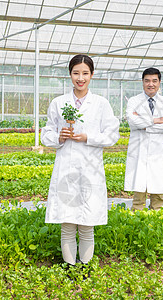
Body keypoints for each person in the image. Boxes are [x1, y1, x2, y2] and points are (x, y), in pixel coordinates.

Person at [41, 54, 120, 267]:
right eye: (76, 73)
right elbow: (46, 133)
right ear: (70, 75)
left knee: (87, 223)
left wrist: (88, 137)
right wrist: (58, 137)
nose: (80, 78)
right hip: (66, 167)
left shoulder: (101, 104)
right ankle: (70, 266)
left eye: (85, 73)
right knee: (67, 222)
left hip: (90, 168)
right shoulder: (59, 103)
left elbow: (112, 135)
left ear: (92, 75)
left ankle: (84, 266)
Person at [124, 67, 163, 211]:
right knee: (139, 190)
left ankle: (157, 213)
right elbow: (132, 122)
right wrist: (157, 120)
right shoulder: (134, 101)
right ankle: (137, 214)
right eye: (147, 81)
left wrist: (143, 124)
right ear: (142, 82)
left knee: (159, 190)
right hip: (139, 150)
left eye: (154, 81)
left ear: (159, 82)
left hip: (159, 151)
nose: (150, 84)